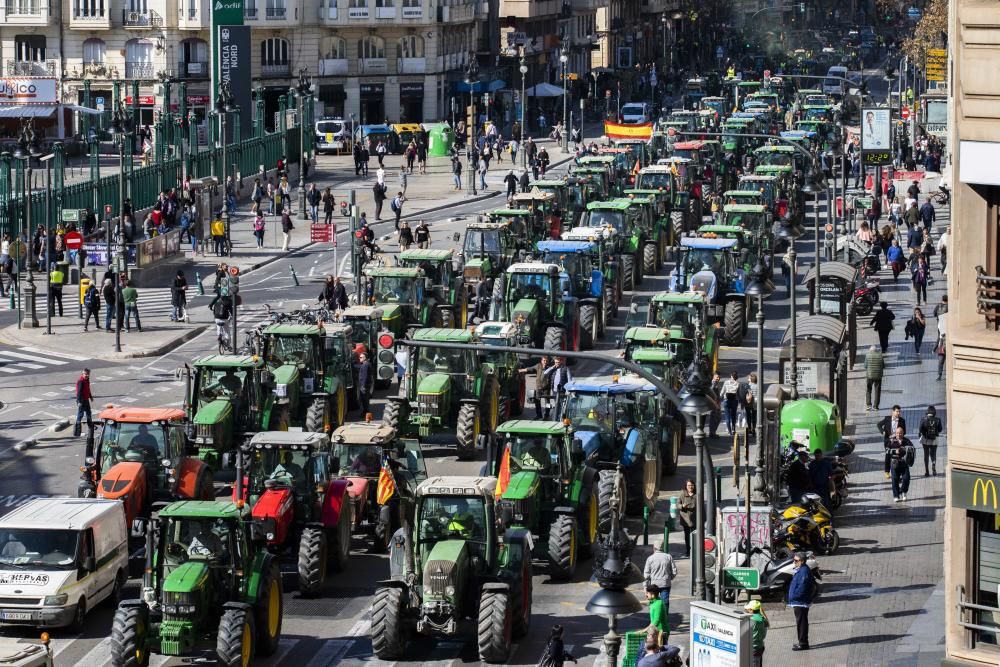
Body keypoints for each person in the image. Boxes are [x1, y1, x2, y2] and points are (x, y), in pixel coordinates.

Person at [787, 552, 814, 651]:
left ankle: (803, 643)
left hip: (800, 602)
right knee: (801, 621)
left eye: (796, 560)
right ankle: (801, 641)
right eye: (794, 560)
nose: (794, 562)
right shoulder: (802, 570)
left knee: (801, 622)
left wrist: (794, 596)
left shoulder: (804, 572)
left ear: (802, 561)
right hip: (799, 601)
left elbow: (802, 588)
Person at [643, 540, 678, 610]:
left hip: (654, 584)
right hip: (665, 583)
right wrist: (669, 578)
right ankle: (664, 618)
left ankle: (654, 618)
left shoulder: (650, 558)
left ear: (654, 548)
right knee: (665, 603)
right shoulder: (668, 557)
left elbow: (646, 575)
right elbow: (674, 571)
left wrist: (645, 586)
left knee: (653, 602)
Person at [878, 405, 906, 480]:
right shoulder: (887, 418)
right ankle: (887, 471)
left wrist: (899, 435)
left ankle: (897, 471)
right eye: (897, 411)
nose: (898, 413)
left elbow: (904, 431)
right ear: (893, 412)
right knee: (888, 455)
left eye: (899, 411)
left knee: (897, 456)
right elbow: (879, 424)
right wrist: (883, 431)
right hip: (888, 440)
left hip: (897, 441)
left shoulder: (902, 420)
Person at [888, 426, 914, 502]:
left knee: (906, 478)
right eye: (897, 433)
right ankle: (896, 495)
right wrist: (894, 452)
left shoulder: (907, 441)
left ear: (903, 433)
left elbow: (912, 449)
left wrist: (907, 450)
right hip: (894, 463)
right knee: (895, 479)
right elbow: (887, 451)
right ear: (895, 433)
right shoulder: (892, 441)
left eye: (900, 433)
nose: (899, 434)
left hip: (904, 463)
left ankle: (903, 491)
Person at [919, 405, 943, 477]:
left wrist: (924, 433)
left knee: (926, 454)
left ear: (927, 411)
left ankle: (927, 471)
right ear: (934, 412)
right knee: (933, 454)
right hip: (934, 439)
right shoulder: (938, 419)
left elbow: (920, 429)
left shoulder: (923, 419)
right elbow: (940, 429)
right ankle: (934, 466)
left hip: (925, 439)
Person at [746, 599, 769, 666]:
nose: (747, 611)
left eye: (748, 609)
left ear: (752, 610)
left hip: (754, 649)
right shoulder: (762, 618)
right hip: (760, 647)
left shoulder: (752, 620)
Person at [678, 479, 696, 557]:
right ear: (686, 486)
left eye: (691, 485)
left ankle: (694, 550)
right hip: (685, 519)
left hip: (694, 519)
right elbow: (677, 504)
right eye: (688, 485)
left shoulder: (697, 494)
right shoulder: (682, 494)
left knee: (694, 536)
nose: (690, 487)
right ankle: (688, 551)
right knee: (687, 536)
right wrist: (682, 506)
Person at [74, 368, 94, 438]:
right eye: (85, 374)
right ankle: (77, 431)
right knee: (80, 415)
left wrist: (90, 396)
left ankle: (90, 427)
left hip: (86, 400)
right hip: (81, 400)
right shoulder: (81, 381)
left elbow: (88, 389)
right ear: (82, 374)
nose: (87, 375)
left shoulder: (87, 380)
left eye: (88, 374)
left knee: (89, 413)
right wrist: (79, 401)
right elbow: (79, 392)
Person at [864, 344, 885, 411]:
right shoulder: (880, 355)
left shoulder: (867, 355)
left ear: (870, 350)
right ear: (876, 350)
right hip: (878, 376)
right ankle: (876, 406)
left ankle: (868, 405)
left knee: (868, 390)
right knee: (877, 391)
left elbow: (865, 366)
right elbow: (883, 366)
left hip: (869, 376)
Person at [936, 311, 948, 381]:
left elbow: (943, 334)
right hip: (941, 343)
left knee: (947, 360)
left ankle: (947, 375)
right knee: (940, 360)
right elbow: (939, 336)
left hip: (946, 342)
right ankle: (939, 375)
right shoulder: (940, 323)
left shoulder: (946, 320)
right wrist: (935, 347)